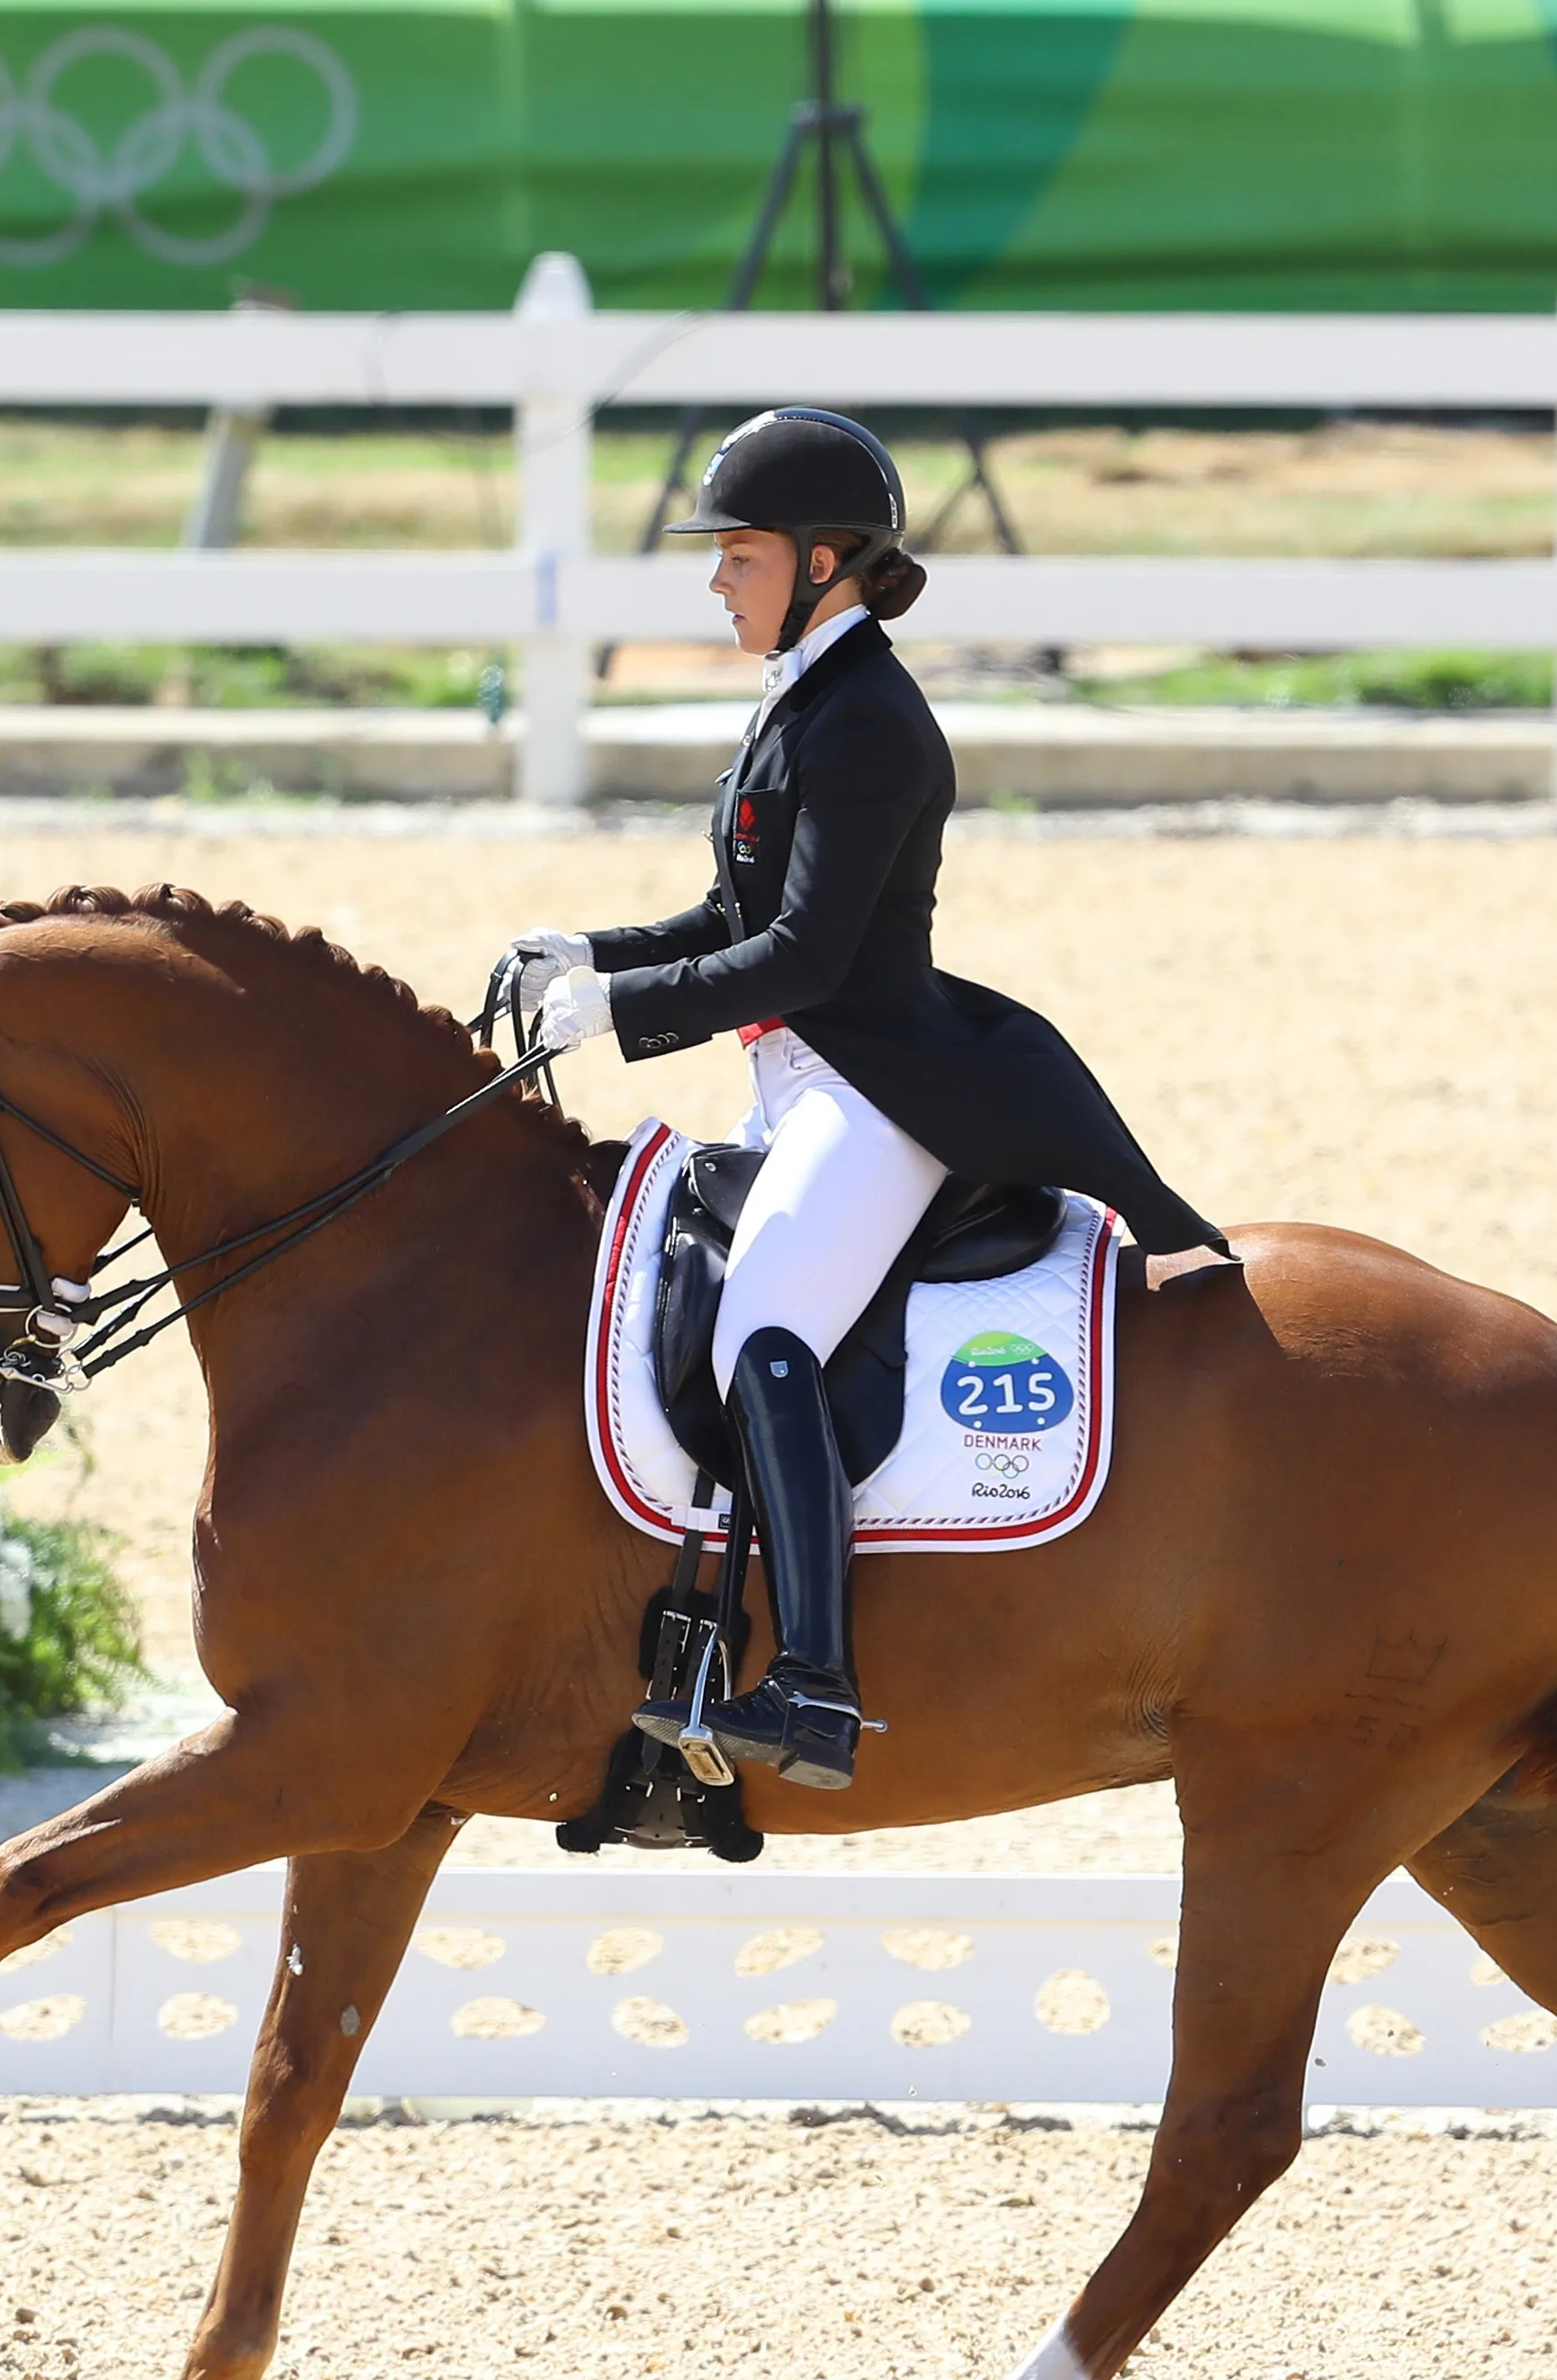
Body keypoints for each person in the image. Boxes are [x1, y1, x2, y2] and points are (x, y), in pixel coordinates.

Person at [505, 408, 1229, 1794]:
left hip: (880, 1087)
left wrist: (621, 1015)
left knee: (767, 1327)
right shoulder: (805, 694)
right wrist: (592, 956)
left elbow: (805, 957)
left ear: (824, 558)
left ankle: (818, 1688)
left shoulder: (873, 722)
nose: (717, 578)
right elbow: (732, 909)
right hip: (799, 1081)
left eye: (740, 552)